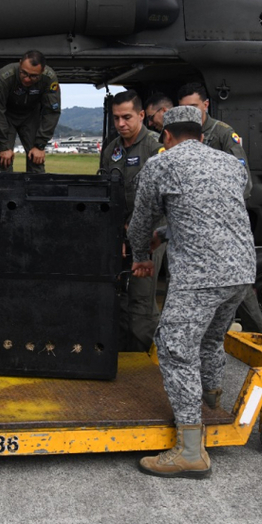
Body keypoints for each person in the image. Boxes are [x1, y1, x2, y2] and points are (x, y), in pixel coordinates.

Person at [127, 105, 255, 478]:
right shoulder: (230, 164)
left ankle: (189, 450)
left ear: (166, 135)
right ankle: (211, 400)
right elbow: (211, 213)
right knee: (212, 339)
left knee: (173, 347)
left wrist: (141, 255)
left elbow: (141, 221)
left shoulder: (162, 164)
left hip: (201, 275)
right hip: (242, 271)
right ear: (200, 132)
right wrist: (168, 234)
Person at [175, 82, 262, 333]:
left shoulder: (223, 133)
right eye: (183, 109)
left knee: (239, 283)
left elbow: (243, 179)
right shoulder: (179, 135)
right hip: (193, 225)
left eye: (193, 107)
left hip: (223, 224)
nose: (188, 114)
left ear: (206, 105)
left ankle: (261, 340)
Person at [100, 91, 165, 351]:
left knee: (141, 297)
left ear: (141, 115)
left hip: (150, 234)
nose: (121, 124)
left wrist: (136, 234)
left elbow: (161, 200)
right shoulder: (112, 149)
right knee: (119, 294)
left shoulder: (155, 147)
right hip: (120, 233)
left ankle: (151, 354)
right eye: (116, 118)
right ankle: (126, 352)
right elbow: (106, 193)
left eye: (127, 117)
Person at [0, 51, 60, 174]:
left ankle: (36, 192)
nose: (27, 79)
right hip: (6, 117)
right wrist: (4, 146)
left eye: (33, 76)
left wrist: (40, 145)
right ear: (20, 63)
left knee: (36, 160)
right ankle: (3, 192)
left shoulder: (49, 78)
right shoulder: (4, 77)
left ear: (42, 71)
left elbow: (51, 112)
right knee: (4, 160)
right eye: (24, 73)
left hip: (31, 117)